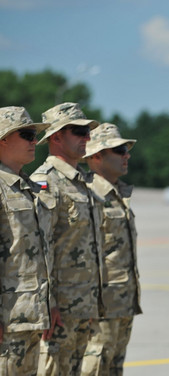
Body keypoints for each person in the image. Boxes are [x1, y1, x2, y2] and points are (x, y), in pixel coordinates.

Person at [31, 102, 104, 375]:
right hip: (59, 309)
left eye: (87, 131)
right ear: (56, 137)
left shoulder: (81, 182)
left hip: (83, 304)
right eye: (78, 131)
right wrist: (47, 303)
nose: (87, 138)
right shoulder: (45, 182)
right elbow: (39, 248)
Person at [81, 123, 142, 375]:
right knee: (93, 368)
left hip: (122, 301)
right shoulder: (87, 195)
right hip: (99, 306)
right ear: (96, 156)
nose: (126, 155)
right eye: (119, 150)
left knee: (114, 368)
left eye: (126, 149)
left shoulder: (117, 193)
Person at [0, 106, 52, 375]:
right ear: (4, 139)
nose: (34, 141)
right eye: (26, 135)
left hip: (30, 315)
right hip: (7, 319)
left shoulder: (29, 187)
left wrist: (48, 305)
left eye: (34, 136)